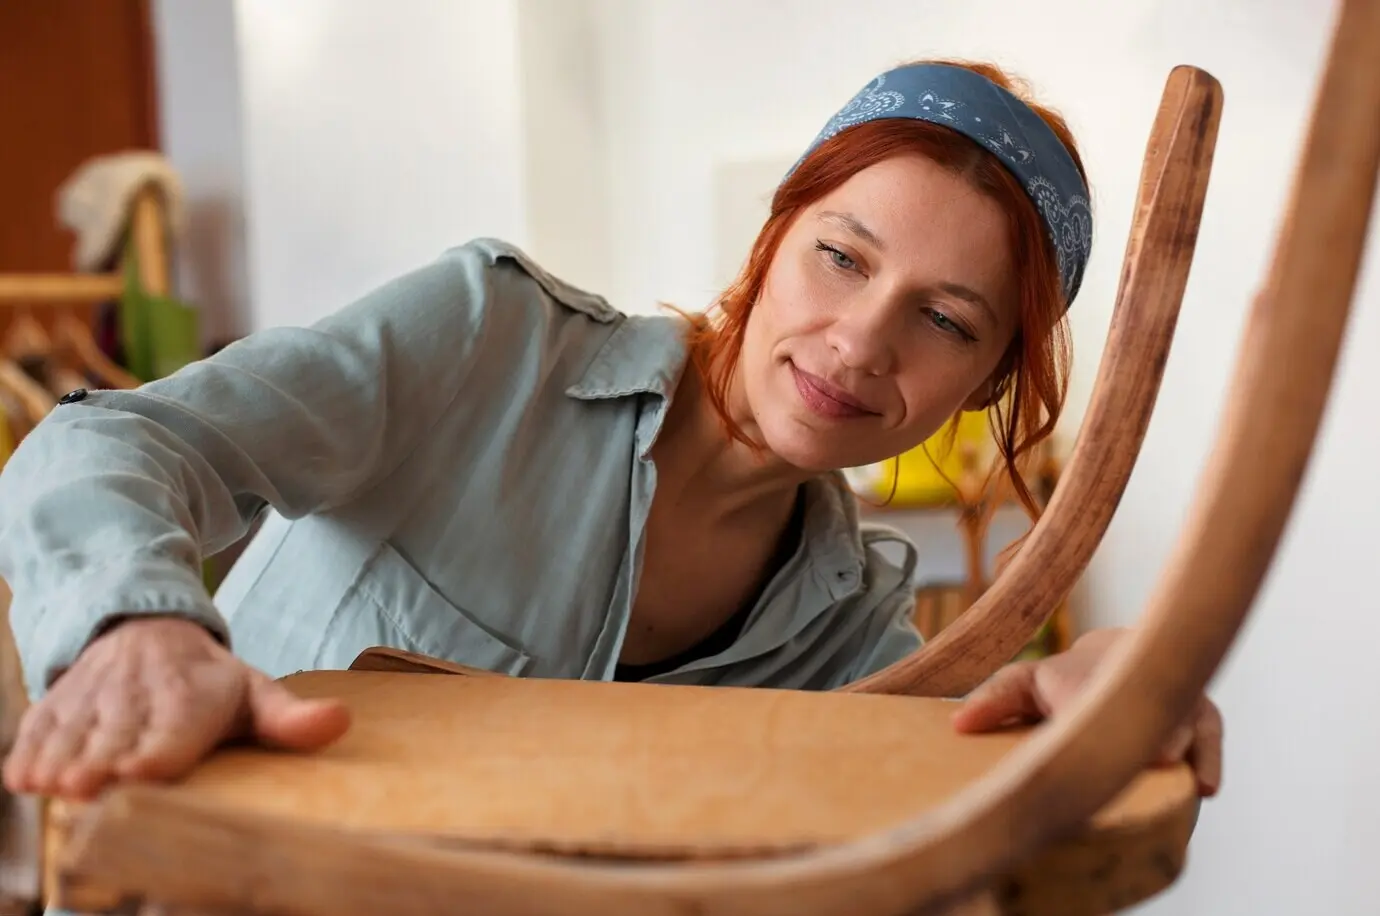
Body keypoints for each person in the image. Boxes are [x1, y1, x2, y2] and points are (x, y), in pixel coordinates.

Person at [0, 59, 1222, 805]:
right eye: (840, 255)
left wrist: (1091, 687)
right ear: (773, 235)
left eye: (945, 319)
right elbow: (100, 447)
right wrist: (135, 629)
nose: (859, 341)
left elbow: (956, 758)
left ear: (988, 383)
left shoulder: (851, 634)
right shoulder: (485, 340)